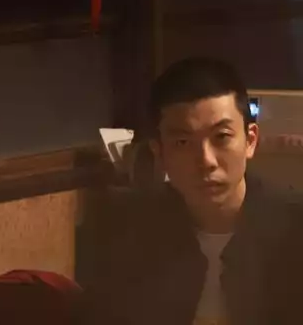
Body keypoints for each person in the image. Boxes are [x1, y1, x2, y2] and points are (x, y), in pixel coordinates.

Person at [81, 56, 303, 325]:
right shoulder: (127, 230)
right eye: (183, 142)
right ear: (159, 152)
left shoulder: (293, 230)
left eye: (221, 137)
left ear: (250, 141)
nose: (206, 161)